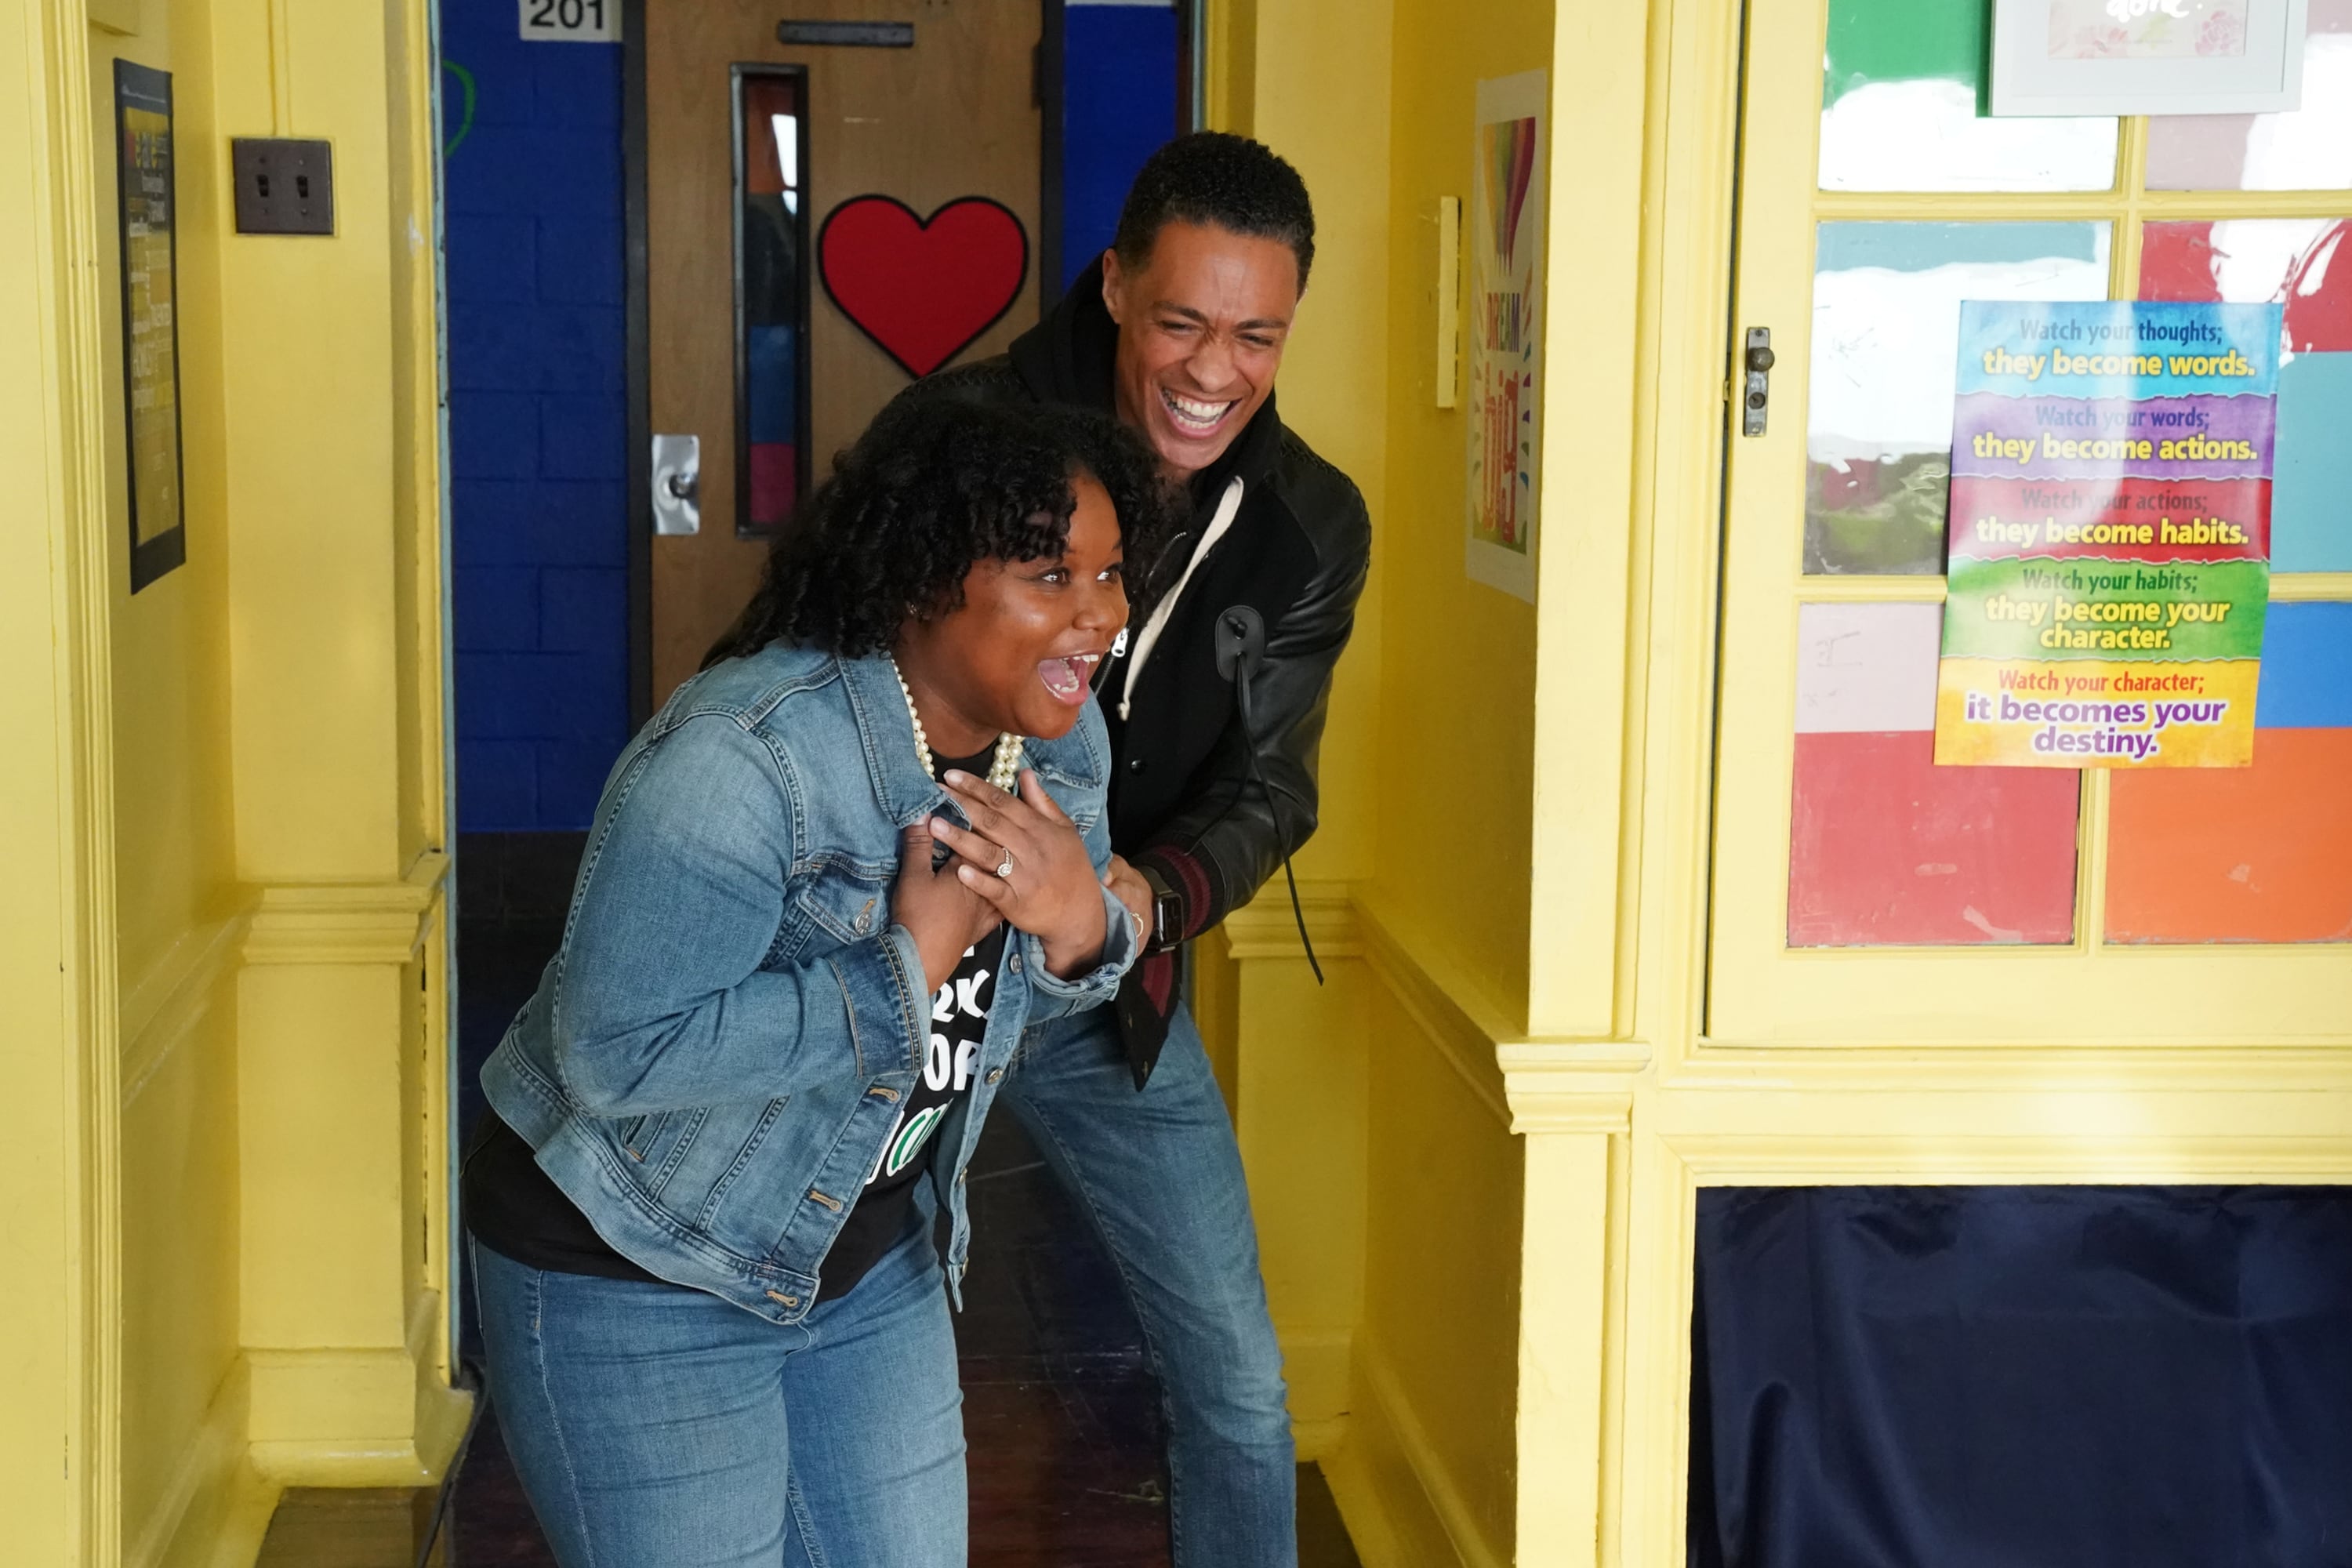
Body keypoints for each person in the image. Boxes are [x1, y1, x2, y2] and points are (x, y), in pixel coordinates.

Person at [460, 397, 1174, 1566]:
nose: (1099, 617)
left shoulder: (1057, 740)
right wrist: (906, 966)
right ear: (923, 579)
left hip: (864, 1250)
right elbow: (613, 1051)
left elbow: (1049, 987)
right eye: (1052, 573)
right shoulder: (742, 763)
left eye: (1110, 572)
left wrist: (1080, 928)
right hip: (637, 1265)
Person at [906, 132, 1371, 1566]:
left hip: (1110, 986)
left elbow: (1275, 789)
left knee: (1239, 1384)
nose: (1212, 371)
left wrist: (1133, 899)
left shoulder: (1309, 525)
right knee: (848, 1346)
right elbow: (832, 682)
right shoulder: (958, 441)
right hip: (903, 969)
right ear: (1115, 287)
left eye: (1255, 335)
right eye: (1180, 321)